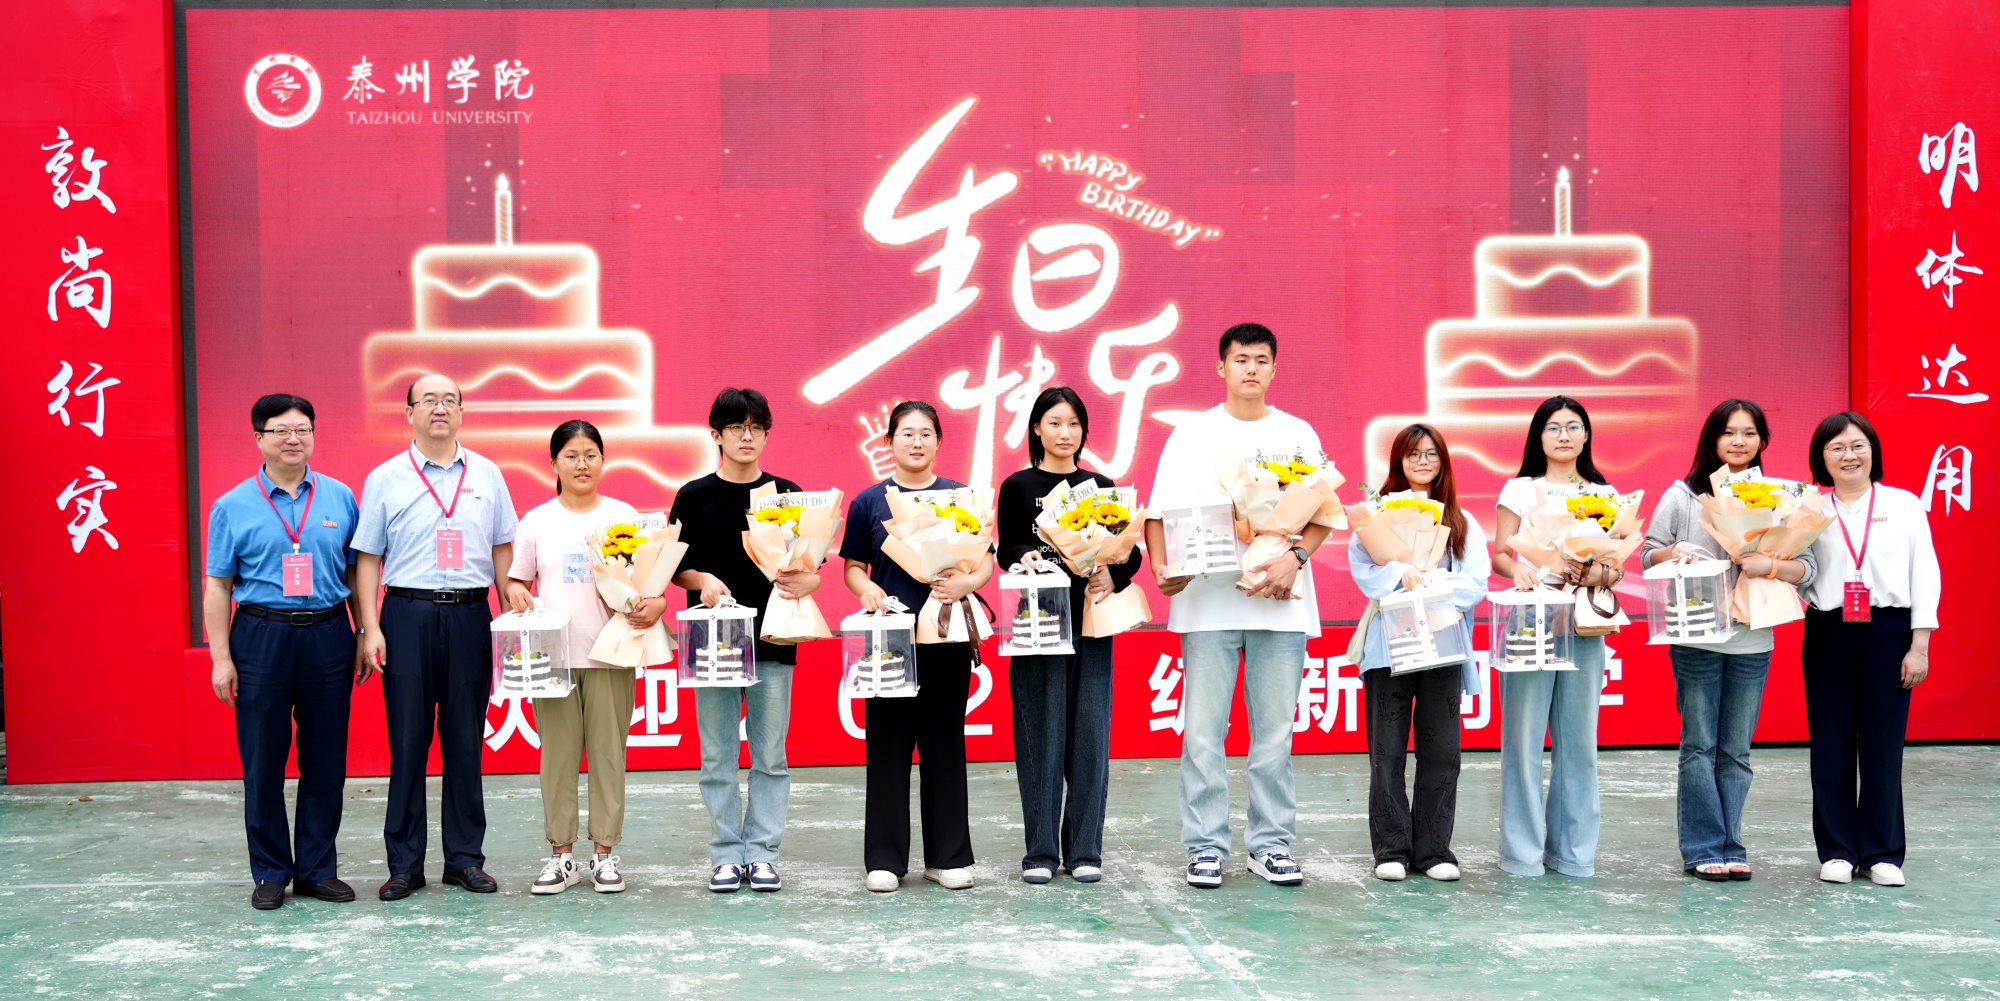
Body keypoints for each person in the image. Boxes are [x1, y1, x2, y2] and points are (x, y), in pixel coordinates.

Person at [1143, 323, 1330, 890]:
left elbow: (1323, 514)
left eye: (1262, 359)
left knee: (1274, 734)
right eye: (1241, 359)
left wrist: (1294, 558)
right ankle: (1205, 846)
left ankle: (1270, 845)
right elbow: (1159, 514)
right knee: (1203, 732)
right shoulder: (1192, 434)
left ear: (1275, 368)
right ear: (1221, 367)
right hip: (1208, 603)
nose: (1251, 368)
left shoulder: (1297, 434)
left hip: (1280, 601)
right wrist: (1162, 570)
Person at [353, 373, 519, 900]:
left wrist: (508, 616)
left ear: (462, 412)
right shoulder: (385, 478)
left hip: (470, 615)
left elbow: (503, 548)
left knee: (465, 742)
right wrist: (370, 627)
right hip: (407, 614)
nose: (440, 408)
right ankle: (405, 864)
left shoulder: (488, 473)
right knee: (407, 742)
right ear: (409, 413)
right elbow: (368, 558)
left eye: (450, 400)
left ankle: (464, 860)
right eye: (428, 400)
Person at [1639, 400, 1815, 882]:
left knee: (1736, 751)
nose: (1739, 442)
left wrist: (1769, 564)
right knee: (1699, 746)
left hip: (1752, 640)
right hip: (1696, 637)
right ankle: (1702, 848)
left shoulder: (1780, 500)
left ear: (1762, 441)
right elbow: (1647, 554)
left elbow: (1807, 568)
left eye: (1749, 433)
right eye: (1729, 432)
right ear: (1711, 438)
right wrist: (1673, 552)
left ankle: (1731, 845)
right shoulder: (1682, 496)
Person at [202, 393, 364, 910]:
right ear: (259, 439)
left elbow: (355, 573)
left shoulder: (340, 497)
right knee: (263, 758)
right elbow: (218, 586)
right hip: (261, 635)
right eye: (280, 430)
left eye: (302, 429)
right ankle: (270, 871)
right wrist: (221, 657)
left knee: (326, 757)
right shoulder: (231, 505)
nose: (293, 439)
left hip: (328, 634)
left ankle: (317, 870)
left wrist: (364, 631)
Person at [669, 388, 818, 894]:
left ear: (767, 434)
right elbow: (671, 568)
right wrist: (702, 580)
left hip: (773, 639)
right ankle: (726, 854)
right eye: (736, 427)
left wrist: (808, 579)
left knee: (770, 755)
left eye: (756, 427)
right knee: (717, 756)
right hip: (712, 643)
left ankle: (763, 854)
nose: (747, 436)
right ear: (716, 435)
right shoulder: (693, 496)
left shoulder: (786, 495)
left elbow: (809, 566)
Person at [841, 401, 992, 892]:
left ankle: (948, 858)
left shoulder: (959, 497)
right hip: (889, 640)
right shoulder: (869, 501)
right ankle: (884, 861)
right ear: (889, 442)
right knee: (887, 745)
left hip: (945, 636)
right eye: (906, 433)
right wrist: (866, 589)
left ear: (939, 441)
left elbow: (985, 561)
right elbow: (852, 567)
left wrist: (968, 583)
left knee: (945, 742)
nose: (917, 442)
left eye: (926, 433)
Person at [995, 387, 1142, 885]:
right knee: (1039, 734)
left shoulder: (1100, 486)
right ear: (1037, 428)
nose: (1065, 433)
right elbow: (1007, 546)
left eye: (1074, 424)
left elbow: (1129, 552)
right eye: (1055, 423)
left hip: (1091, 624)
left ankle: (1084, 850)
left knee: (1090, 736)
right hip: (1038, 624)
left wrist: (1112, 576)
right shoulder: (1017, 486)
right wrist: (1025, 556)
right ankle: (1039, 852)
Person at [504, 421, 650, 896]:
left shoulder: (623, 517)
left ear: (603, 461)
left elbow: (646, 584)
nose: (582, 464)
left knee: (609, 756)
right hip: (554, 661)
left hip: (611, 654)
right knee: (558, 759)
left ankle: (604, 855)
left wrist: (649, 603)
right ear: (554, 464)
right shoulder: (537, 520)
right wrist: (515, 593)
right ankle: (561, 856)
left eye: (590, 454)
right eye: (571, 455)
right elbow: (516, 580)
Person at [1799, 412, 1939, 888]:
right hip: (1828, 629)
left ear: (1873, 451)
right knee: (1830, 742)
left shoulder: (1903, 505)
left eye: (1858, 445)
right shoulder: (1809, 510)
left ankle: (1882, 852)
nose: (1849, 456)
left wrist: (1919, 645)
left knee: (1883, 743)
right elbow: (1798, 570)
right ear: (1822, 457)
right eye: (1836, 448)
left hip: (1888, 631)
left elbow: (1925, 574)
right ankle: (1837, 850)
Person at [1489, 395, 1626, 878]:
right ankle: (1522, 854)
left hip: (1584, 623)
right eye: (1553, 427)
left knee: (1578, 741)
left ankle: (1573, 853)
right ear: (1538, 436)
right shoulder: (1519, 489)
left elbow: (1616, 566)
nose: (1563, 435)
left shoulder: (1605, 493)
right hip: (1531, 619)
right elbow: (1501, 555)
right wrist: (1519, 571)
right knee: (1523, 741)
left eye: (1572, 426)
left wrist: (1596, 574)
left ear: (1586, 434)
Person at [1347, 424, 1488, 883]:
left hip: (1443, 641)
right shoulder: (1376, 517)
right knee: (1386, 750)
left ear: (1443, 461)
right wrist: (1399, 574)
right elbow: (1363, 569)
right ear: (1399, 462)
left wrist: (1430, 581)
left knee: (1441, 749)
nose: (1422, 461)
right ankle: (1391, 849)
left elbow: (1476, 581)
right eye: (1413, 454)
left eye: (1431, 454)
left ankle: (1434, 850)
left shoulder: (1461, 521)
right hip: (1389, 645)